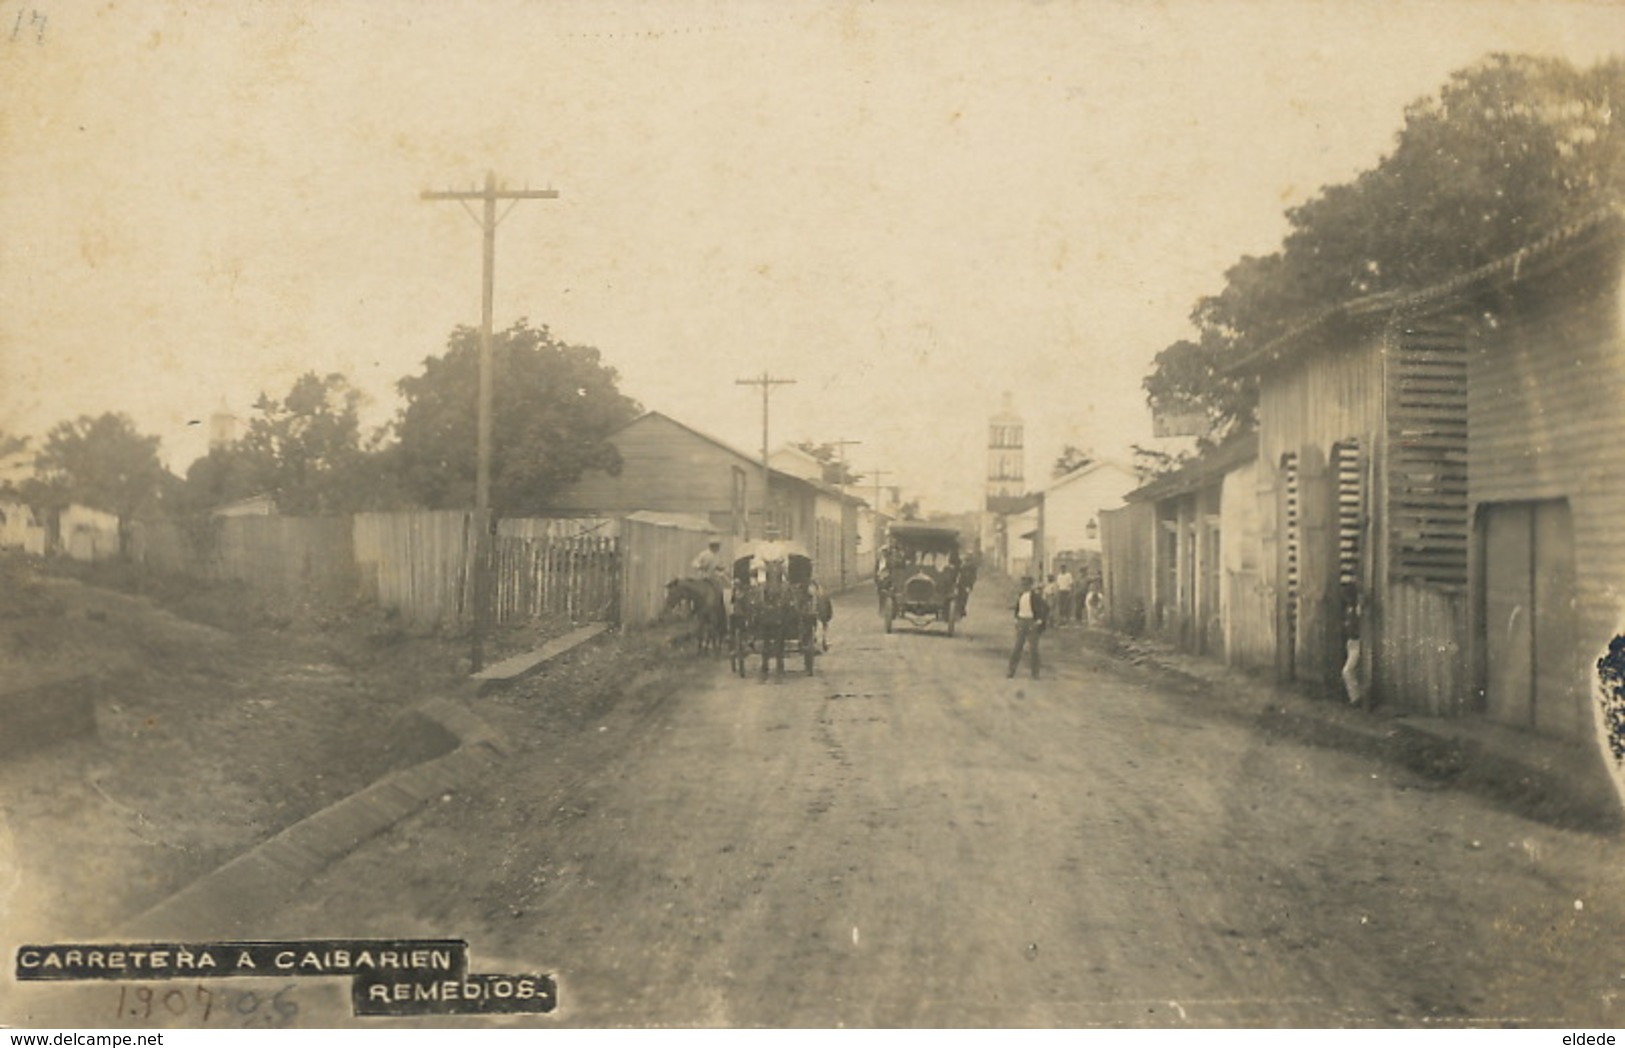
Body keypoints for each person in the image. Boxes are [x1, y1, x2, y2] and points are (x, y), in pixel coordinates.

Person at [1007, 575, 1049, 679]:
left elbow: (1046, 607)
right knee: (1017, 648)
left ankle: (1035, 673)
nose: (1024, 586)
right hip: (1021, 622)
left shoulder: (1036, 596)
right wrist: (1016, 619)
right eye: (1023, 584)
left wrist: (1039, 620)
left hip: (1032, 623)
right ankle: (1011, 671)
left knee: (1033, 649)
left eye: (1026, 584)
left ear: (1031, 585)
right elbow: (1017, 609)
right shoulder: (1020, 595)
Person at [1055, 563, 1075, 627]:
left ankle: (1067, 620)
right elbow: (1058, 585)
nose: (1062, 569)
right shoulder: (1059, 576)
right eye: (1061, 568)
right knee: (1061, 606)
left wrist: (1071, 593)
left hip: (1067, 591)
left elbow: (1071, 584)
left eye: (1064, 568)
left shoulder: (1068, 575)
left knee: (1067, 606)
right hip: (1061, 592)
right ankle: (1061, 620)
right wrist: (1057, 592)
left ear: (1065, 568)